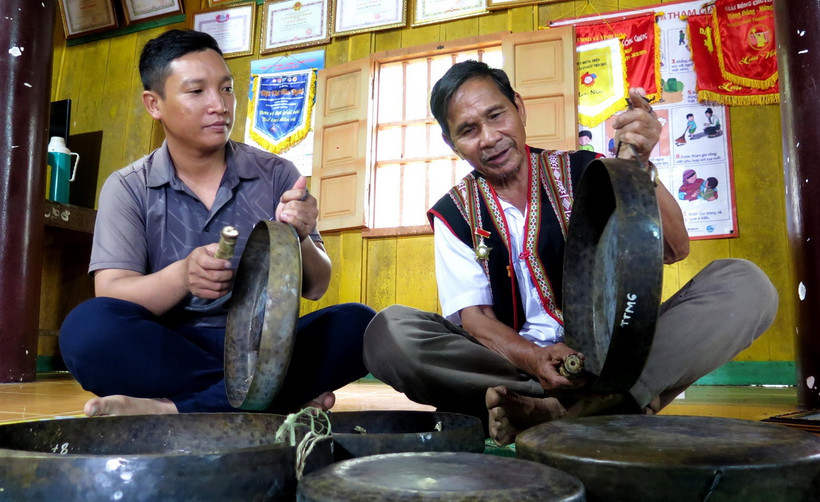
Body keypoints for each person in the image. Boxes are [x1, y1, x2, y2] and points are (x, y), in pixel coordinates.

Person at [362, 60, 777, 445]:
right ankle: (598, 409)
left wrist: (638, 167)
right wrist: (536, 358)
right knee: (388, 334)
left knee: (745, 285)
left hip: (613, 357)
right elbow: (477, 321)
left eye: (496, 115)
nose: (489, 138)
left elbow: (672, 247)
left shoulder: (588, 171)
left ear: (519, 108)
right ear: (452, 142)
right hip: (514, 365)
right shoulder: (454, 213)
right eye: (468, 130)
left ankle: (557, 414)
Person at [59, 30, 375, 417]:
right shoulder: (128, 187)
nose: (220, 105)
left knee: (361, 325)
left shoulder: (277, 173)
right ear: (153, 104)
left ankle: (174, 411)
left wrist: (300, 235)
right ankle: (275, 400)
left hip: (266, 349)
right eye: (197, 92)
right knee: (86, 330)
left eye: (226, 89)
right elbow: (112, 292)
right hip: (171, 348)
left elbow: (317, 285)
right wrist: (181, 277)